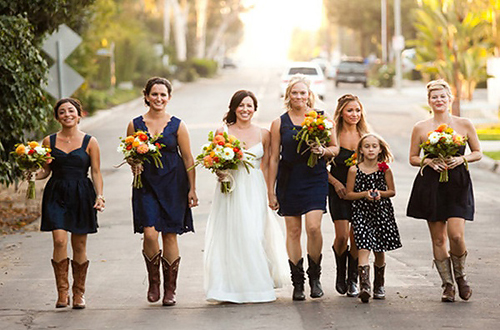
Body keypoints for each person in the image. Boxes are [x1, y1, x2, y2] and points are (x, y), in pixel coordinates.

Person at [204, 90, 288, 303]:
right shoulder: (222, 132)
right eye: (241, 105)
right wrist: (220, 172)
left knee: (254, 235)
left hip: (254, 188)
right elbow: (214, 160)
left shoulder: (264, 134)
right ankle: (229, 287)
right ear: (233, 108)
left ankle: (257, 285)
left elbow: (269, 163)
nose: (245, 109)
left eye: (249, 105)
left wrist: (271, 192)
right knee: (232, 236)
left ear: (254, 109)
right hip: (230, 189)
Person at [407, 80, 481, 302]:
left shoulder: (464, 124)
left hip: (457, 183)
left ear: (450, 99)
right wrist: (428, 163)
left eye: (442, 96)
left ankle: (461, 276)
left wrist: (461, 158)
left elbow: (477, 152)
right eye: (434, 97)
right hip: (431, 185)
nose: (438, 100)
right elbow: (412, 158)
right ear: (429, 101)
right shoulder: (420, 127)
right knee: (439, 239)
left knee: (456, 235)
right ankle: (447, 285)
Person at [127, 77, 198, 306]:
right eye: (154, 94)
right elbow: (129, 153)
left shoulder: (178, 125)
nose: (158, 98)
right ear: (146, 96)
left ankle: (170, 289)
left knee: (170, 234)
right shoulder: (135, 124)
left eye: (163, 95)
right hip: (145, 183)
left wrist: (192, 189)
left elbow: (188, 158)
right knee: (149, 233)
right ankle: (154, 282)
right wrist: (133, 162)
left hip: (174, 184)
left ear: (169, 98)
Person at [268, 74, 337, 301]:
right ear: (288, 96)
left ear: (310, 95)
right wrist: (271, 190)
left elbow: (334, 148)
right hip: (289, 179)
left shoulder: (322, 118)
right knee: (294, 231)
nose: (299, 96)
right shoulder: (279, 123)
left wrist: (323, 151)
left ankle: (315, 277)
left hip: (315, 177)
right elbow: (274, 158)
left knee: (314, 228)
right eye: (294, 93)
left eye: (303, 93)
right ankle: (298, 282)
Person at [36, 98, 104, 309]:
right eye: (62, 112)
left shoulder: (90, 142)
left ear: (79, 114)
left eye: (71, 111)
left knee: (80, 244)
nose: (67, 115)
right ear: (57, 117)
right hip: (56, 192)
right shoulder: (48, 141)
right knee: (59, 241)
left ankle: (79, 293)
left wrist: (99, 196)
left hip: (82, 194)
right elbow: (45, 170)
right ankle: (62, 292)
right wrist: (31, 173)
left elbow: (96, 171)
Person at [345, 133, 402, 303]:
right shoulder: (354, 170)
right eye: (367, 146)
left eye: (374, 146)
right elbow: (348, 194)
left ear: (380, 149)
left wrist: (379, 194)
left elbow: (392, 191)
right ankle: (364, 286)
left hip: (381, 212)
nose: (371, 149)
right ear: (361, 150)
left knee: (379, 249)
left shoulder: (384, 169)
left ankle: (379, 284)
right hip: (361, 212)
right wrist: (364, 195)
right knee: (363, 246)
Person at [328, 94, 369, 297]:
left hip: (360, 192)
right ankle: (340, 272)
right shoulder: (332, 134)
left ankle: (352, 278)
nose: (355, 114)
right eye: (350, 110)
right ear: (341, 113)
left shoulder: (366, 135)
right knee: (342, 235)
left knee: (356, 237)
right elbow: (321, 166)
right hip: (339, 190)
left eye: (358, 110)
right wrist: (335, 184)